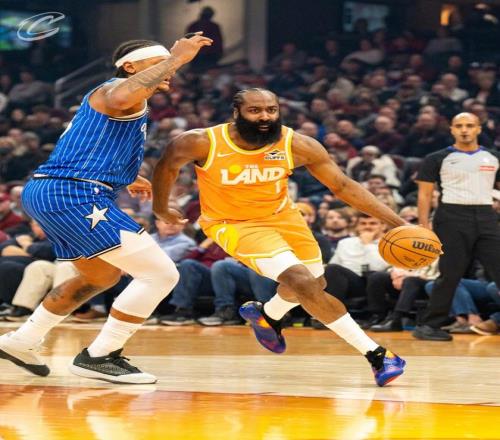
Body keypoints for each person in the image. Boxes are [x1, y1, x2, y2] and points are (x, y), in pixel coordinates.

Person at [152, 88, 409, 387]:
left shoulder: (297, 144)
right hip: (233, 223)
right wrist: (161, 208)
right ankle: (377, 354)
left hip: (284, 217)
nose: (265, 117)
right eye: (255, 111)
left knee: (315, 284)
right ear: (236, 113)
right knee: (302, 282)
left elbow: (342, 185)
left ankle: (269, 315)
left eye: (271, 110)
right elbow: (166, 167)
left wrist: (400, 223)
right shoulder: (201, 141)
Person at [0, 35, 213, 383]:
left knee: (101, 276)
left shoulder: (129, 99)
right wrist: (176, 57)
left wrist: (125, 176)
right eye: (157, 62)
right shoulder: (114, 89)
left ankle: (21, 340)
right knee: (161, 274)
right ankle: (101, 356)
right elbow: (120, 97)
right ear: (129, 67)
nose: (168, 69)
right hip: (74, 194)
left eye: (167, 63)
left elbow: (93, 141)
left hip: (56, 191)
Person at [413, 112, 500, 341]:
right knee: (450, 274)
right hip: (451, 216)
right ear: (451, 129)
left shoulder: (493, 157)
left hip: (486, 215)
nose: (464, 130)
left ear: (478, 128)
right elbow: (424, 194)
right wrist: (424, 226)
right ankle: (429, 326)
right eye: (459, 125)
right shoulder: (436, 158)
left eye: (469, 125)